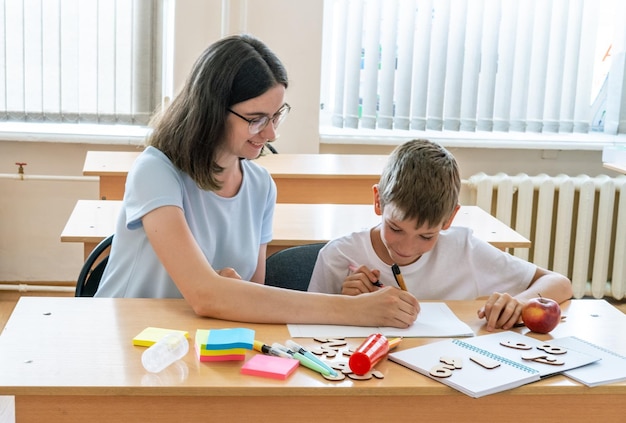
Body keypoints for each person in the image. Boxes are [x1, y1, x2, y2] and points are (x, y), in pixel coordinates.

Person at [94, 34, 418, 328]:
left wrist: (229, 289)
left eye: (276, 115)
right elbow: (206, 296)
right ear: (212, 111)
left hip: (191, 343)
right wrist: (354, 311)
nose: (272, 132)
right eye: (256, 119)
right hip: (124, 342)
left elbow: (252, 295)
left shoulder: (261, 186)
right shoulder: (156, 171)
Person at [307, 139, 573, 331]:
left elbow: (559, 283)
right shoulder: (339, 256)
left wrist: (518, 302)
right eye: (396, 228)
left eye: (426, 236)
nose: (407, 248)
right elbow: (305, 326)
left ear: (450, 219)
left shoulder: (463, 249)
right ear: (378, 202)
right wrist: (347, 305)